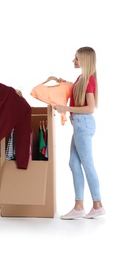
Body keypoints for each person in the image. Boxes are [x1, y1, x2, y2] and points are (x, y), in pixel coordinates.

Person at [53, 46, 105, 219]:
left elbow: (90, 108)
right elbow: (77, 92)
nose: (73, 61)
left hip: (83, 123)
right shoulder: (82, 78)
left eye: (76, 58)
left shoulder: (89, 79)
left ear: (84, 60)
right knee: (74, 163)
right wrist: (63, 82)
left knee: (87, 164)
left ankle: (98, 205)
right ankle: (79, 206)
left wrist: (65, 108)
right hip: (79, 124)